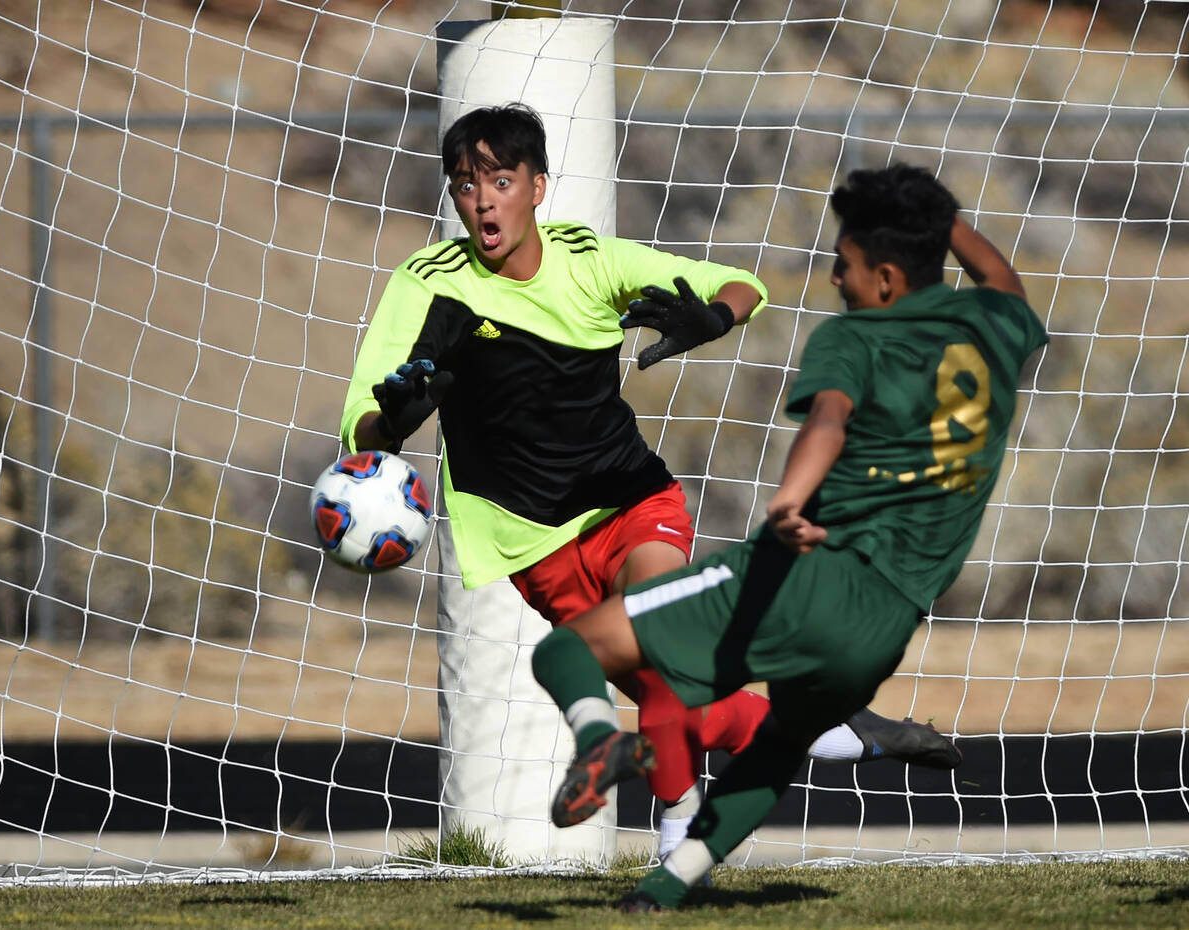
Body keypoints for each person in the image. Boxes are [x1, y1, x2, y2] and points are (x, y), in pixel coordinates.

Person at [340, 104, 959, 858]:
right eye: (466, 184)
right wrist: (397, 417)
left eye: (501, 180)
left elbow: (741, 284)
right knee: (684, 705)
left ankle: (671, 838)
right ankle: (849, 734)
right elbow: (361, 435)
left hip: (633, 501)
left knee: (663, 640)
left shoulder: (591, 260)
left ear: (536, 186)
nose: (483, 200)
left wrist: (714, 319)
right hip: (529, 541)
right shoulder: (428, 283)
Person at [529, 163, 1049, 911]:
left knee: (570, 648)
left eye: (847, 265)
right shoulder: (998, 330)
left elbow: (829, 419)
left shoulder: (858, 338)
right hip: (891, 623)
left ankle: (595, 744)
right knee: (777, 746)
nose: (836, 278)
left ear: (889, 279)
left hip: (809, 571)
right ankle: (665, 887)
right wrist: (934, 218)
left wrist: (789, 501)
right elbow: (1001, 276)